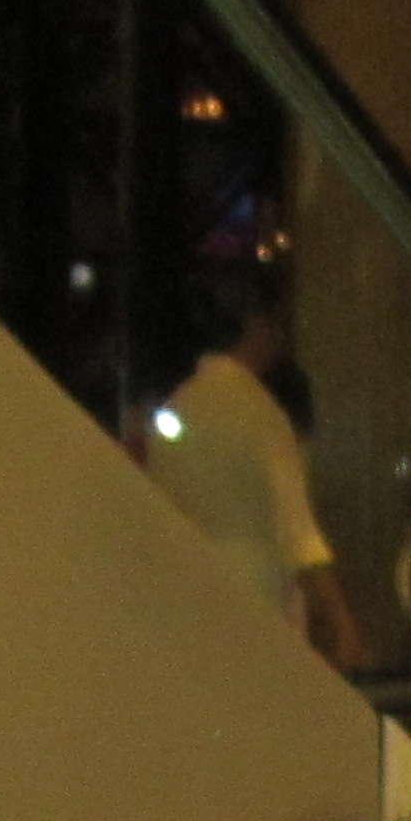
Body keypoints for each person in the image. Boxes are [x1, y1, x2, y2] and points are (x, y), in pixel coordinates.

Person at [149, 273, 364, 670]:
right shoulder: (260, 412)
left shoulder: (180, 405)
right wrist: (341, 623)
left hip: (186, 604)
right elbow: (297, 531)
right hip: (258, 602)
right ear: (255, 323)